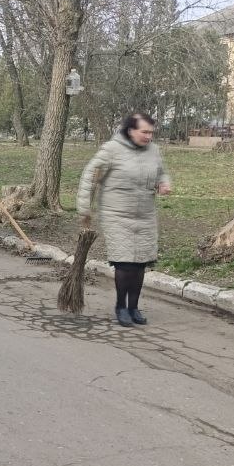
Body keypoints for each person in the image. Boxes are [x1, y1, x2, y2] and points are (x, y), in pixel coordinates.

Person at [76, 112, 172, 327]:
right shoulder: (112, 150)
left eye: (151, 132)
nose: (148, 136)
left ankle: (134, 307)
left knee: (141, 265)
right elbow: (90, 176)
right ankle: (120, 306)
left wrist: (164, 183)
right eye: (144, 132)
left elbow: (161, 172)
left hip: (145, 215)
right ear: (131, 130)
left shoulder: (154, 151)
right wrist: (84, 208)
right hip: (116, 215)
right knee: (126, 263)